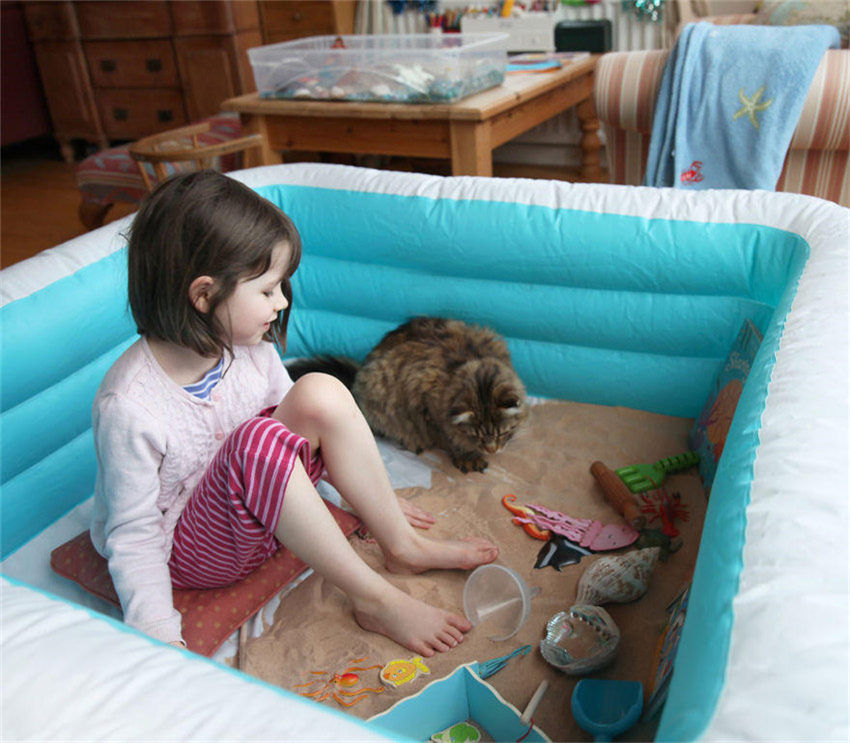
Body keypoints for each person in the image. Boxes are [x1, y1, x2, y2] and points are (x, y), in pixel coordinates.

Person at [90, 170, 498, 657]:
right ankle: (375, 599)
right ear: (203, 296)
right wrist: (159, 634)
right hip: (195, 552)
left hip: (260, 518)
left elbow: (300, 437)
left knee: (318, 390)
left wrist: (361, 500)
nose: (281, 302)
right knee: (256, 441)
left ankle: (402, 544)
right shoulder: (130, 406)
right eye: (267, 291)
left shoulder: (247, 347)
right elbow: (133, 535)